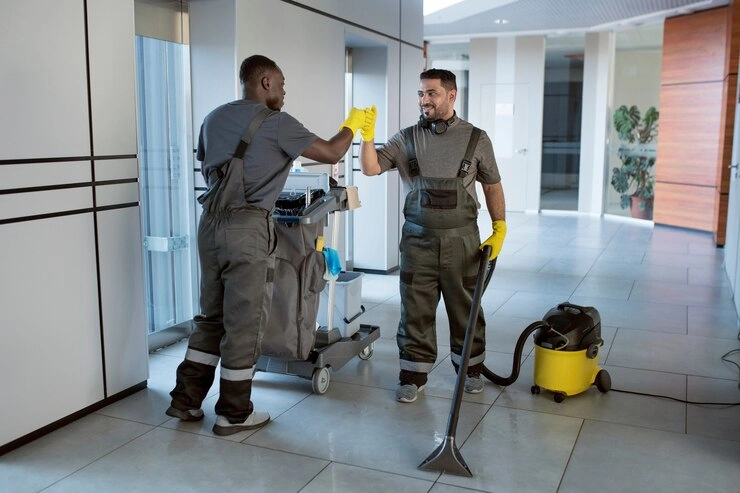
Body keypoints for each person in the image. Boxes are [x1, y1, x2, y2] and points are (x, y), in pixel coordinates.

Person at [167, 54, 369, 435]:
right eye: (282, 84)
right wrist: (351, 126)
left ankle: (186, 400)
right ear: (264, 83)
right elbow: (331, 152)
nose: (284, 92)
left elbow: (215, 167)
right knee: (245, 322)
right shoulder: (276, 122)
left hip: (209, 225)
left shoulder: (213, 118)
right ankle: (234, 413)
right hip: (247, 229)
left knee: (210, 316)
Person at [358, 68, 506, 403]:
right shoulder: (406, 137)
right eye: (421, 93)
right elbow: (370, 168)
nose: (424, 100)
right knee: (415, 308)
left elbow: (492, 184)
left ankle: (470, 371)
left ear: (451, 95)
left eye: (432, 93)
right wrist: (367, 137)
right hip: (417, 241)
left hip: (463, 241)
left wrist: (500, 226)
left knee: (466, 308)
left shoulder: (476, 138)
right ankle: (412, 375)